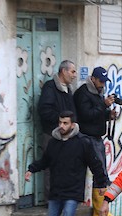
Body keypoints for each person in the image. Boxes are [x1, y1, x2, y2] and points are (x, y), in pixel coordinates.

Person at [25, 111, 108, 216]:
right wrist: (31, 169)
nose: (62, 126)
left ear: (72, 124)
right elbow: (45, 161)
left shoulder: (83, 142)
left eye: (65, 123)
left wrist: (102, 183)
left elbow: (95, 164)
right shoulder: (53, 142)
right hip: (56, 190)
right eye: (60, 123)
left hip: (74, 190)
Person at [73, 66, 121, 216]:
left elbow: (97, 114)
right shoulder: (83, 93)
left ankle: (100, 210)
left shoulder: (98, 93)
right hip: (86, 137)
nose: (103, 84)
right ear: (93, 79)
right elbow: (86, 115)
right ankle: (100, 212)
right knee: (98, 172)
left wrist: (109, 115)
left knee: (101, 173)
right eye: (100, 81)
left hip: (97, 137)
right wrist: (104, 105)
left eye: (104, 81)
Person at [37, 60, 77, 199]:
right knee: (51, 166)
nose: (74, 75)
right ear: (63, 71)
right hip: (52, 134)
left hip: (67, 136)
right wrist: (62, 122)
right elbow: (45, 110)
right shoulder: (50, 87)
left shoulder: (68, 89)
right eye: (72, 71)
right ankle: (52, 199)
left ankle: (64, 197)